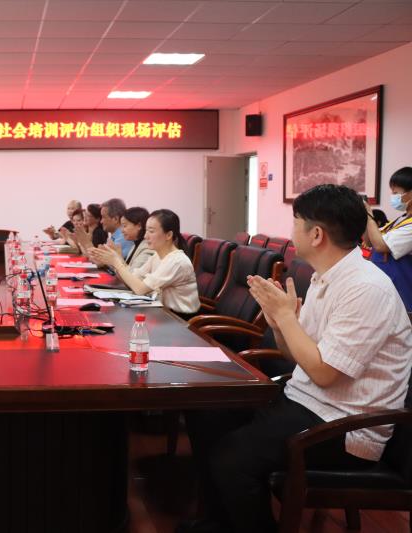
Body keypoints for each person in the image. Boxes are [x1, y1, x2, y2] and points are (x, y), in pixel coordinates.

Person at [181, 184, 412, 533]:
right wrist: (279, 323)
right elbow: (299, 357)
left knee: (233, 458)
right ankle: (220, 522)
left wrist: (287, 318)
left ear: (316, 234)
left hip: (346, 427)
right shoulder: (326, 277)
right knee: (208, 412)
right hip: (307, 402)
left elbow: (324, 373)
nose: (291, 231)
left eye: (296, 222)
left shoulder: (365, 288)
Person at [89, 209, 199, 314]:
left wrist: (116, 262)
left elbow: (140, 289)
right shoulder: (157, 255)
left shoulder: (176, 261)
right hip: (162, 312)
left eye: (151, 231)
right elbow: (134, 278)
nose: (146, 236)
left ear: (169, 235)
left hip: (179, 319)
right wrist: (114, 261)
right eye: (146, 231)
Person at [363, 167, 412, 312]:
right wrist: (364, 216)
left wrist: (370, 216)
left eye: (396, 193)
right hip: (384, 289)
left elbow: (381, 246)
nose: (392, 197)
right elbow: (370, 241)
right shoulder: (400, 220)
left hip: (402, 293)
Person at [87, 207, 152, 271]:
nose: (122, 230)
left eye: (125, 226)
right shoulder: (135, 245)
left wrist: (117, 258)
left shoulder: (146, 248)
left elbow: (131, 275)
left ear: (139, 226)